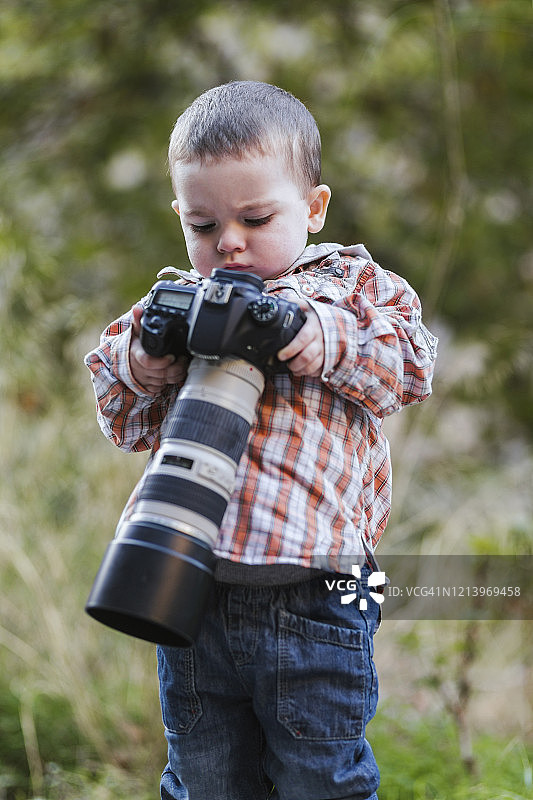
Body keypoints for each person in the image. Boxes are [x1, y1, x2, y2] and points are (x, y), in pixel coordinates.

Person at [85, 80, 438, 800]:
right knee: (204, 778)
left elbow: (408, 366)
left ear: (313, 208)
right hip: (188, 591)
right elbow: (119, 416)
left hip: (315, 596)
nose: (229, 243)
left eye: (254, 217)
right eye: (203, 225)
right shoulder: (177, 298)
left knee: (320, 781)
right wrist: (146, 355)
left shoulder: (350, 288)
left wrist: (303, 333)